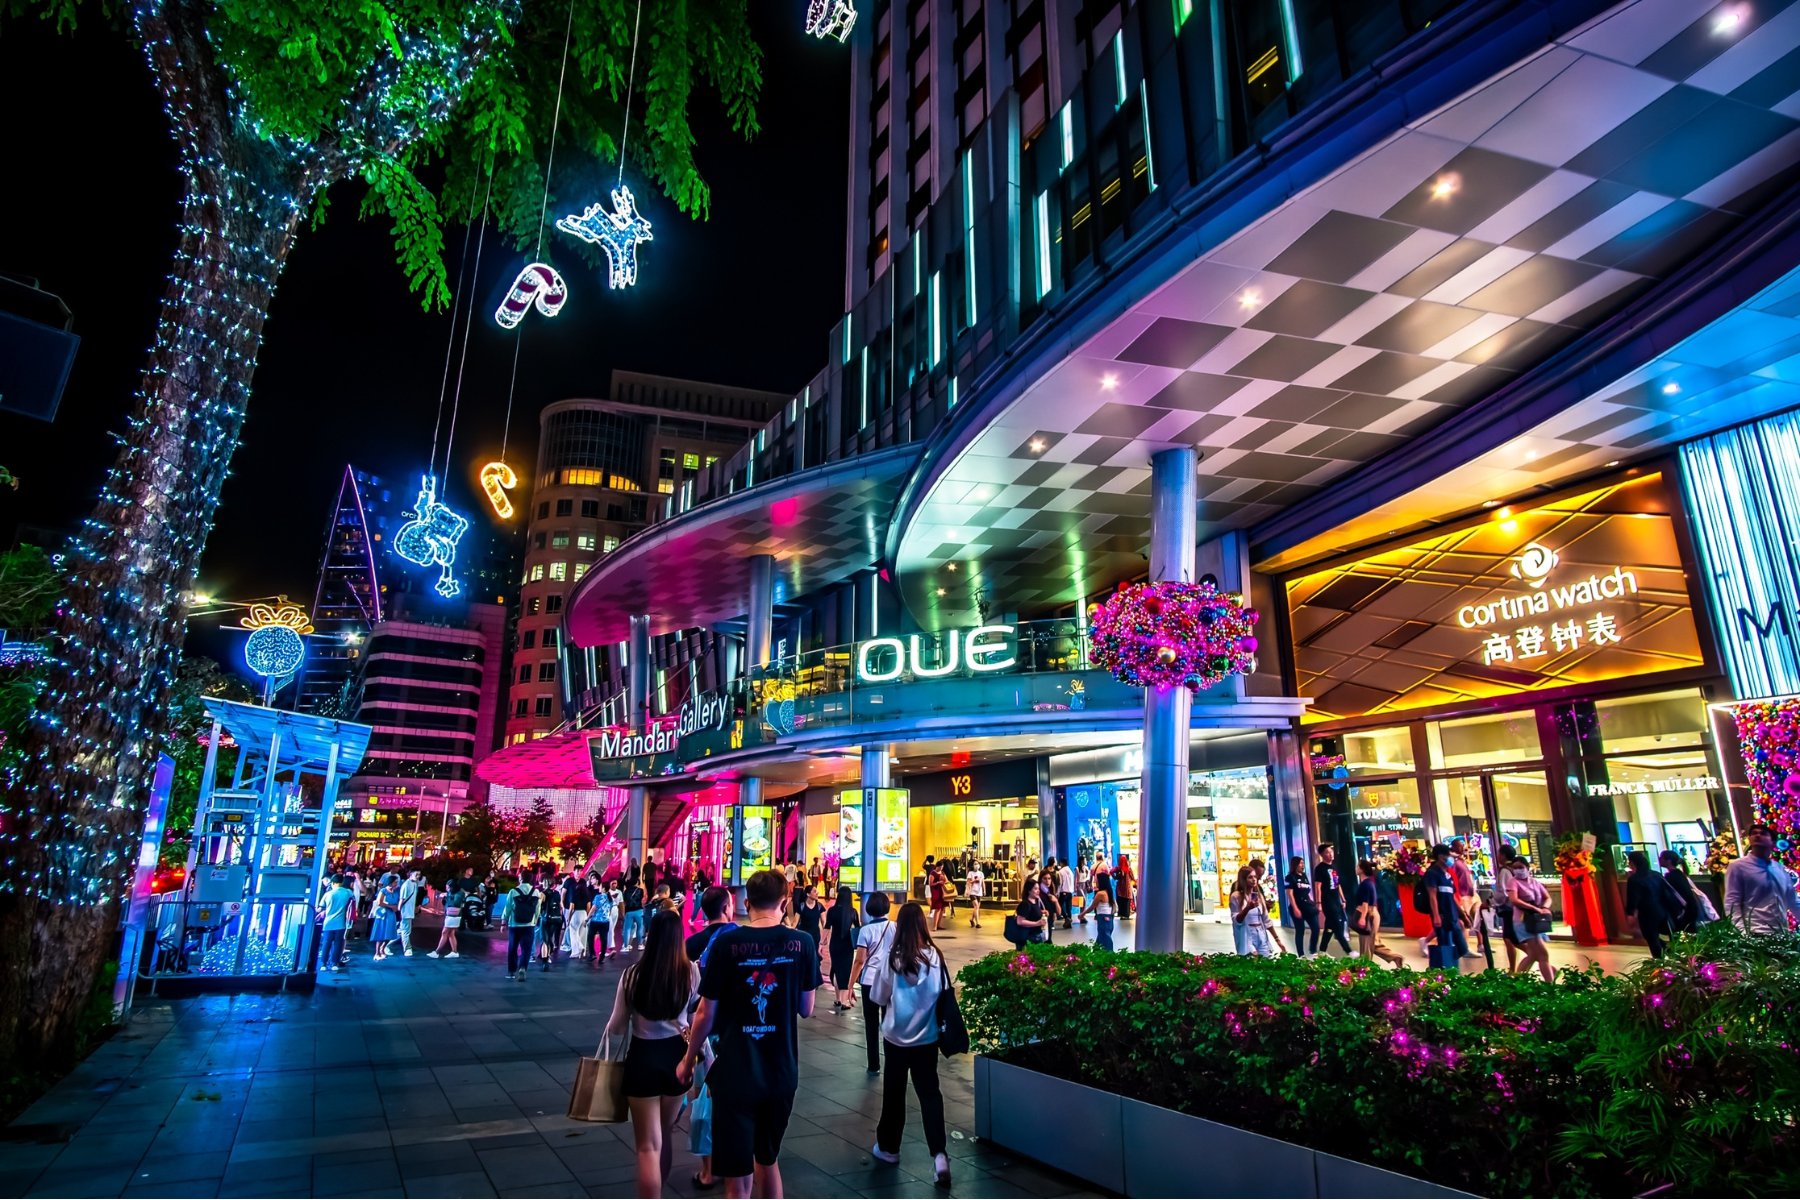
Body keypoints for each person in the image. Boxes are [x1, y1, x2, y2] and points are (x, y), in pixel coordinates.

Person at [678, 870, 819, 1200]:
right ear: (784, 903)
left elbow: (705, 1013)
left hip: (736, 1072)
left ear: (745, 902)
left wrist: (687, 1061)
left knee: (737, 1180)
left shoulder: (728, 942)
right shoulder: (804, 943)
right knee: (768, 1162)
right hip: (782, 1071)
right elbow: (806, 1008)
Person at [605, 908, 700, 1198]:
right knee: (665, 1132)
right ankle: (663, 1182)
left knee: (647, 1146)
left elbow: (617, 1028)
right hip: (678, 1059)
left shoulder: (632, 975)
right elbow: (694, 1017)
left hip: (642, 1058)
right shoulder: (691, 972)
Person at [869, 902, 953, 1188]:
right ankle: (939, 1155)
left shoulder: (892, 959)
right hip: (927, 1038)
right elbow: (943, 993)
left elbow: (878, 997)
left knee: (894, 1093)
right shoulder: (935, 957)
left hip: (896, 1039)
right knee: (930, 1094)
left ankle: (889, 1148)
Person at [1724, 823, 1800, 934]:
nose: (1757, 835)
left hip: (1781, 932)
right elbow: (1732, 901)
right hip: (1754, 932)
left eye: (1763, 833)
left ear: (1772, 842)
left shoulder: (1779, 869)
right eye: (1754, 833)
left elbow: (1793, 900)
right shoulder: (1738, 867)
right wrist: (1741, 931)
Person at [850, 892, 893, 1074]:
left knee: (871, 1024)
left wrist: (850, 984)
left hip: (869, 982)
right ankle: (892, 1061)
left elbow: (860, 960)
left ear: (869, 910)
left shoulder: (865, 931)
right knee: (890, 1023)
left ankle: (873, 1065)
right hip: (890, 980)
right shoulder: (895, 927)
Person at [1500, 855, 1555, 982]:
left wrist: (1545, 908)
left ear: (1527, 867)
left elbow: (1547, 897)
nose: (1518, 870)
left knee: (1532, 956)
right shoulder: (1513, 882)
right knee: (1543, 955)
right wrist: (1534, 908)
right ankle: (1550, 985)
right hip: (1523, 921)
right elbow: (1514, 900)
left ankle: (1516, 981)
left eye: (1520, 867)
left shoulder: (1535, 882)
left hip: (1535, 922)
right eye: (1515, 868)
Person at [1625, 849, 1684, 959]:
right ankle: (1671, 954)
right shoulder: (1656, 875)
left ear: (1632, 862)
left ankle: (1660, 961)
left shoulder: (1634, 879)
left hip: (1647, 912)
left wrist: (1630, 913)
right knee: (1659, 936)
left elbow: (1633, 898)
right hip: (1661, 910)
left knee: (1651, 938)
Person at [1351, 859, 1403, 967]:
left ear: (1362, 869)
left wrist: (1362, 917)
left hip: (1368, 914)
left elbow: (1365, 902)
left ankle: (1365, 969)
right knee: (1374, 943)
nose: (1356, 868)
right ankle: (1394, 956)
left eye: (1357, 866)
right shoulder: (1369, 882)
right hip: (1372, 913)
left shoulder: (1365, 884)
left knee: (1366, 945)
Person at [1423, 844, 1466, 971]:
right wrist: (1436, 915)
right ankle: (1448, 972)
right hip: (1442, 917)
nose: (1451, 859)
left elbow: (1453, 897)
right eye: (1449, 856)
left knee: (1462, 948)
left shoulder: (1448, 875)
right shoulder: (1432, 874)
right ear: (1441, 857)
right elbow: (1432, 896)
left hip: (1453, 917)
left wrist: (1462, 915)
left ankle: (1447, 967)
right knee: (1445, 946)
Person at [825, 887, 862, 1013]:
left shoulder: (832, 911)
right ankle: (844, 1001)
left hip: (834, 944)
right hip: (847, 945)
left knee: (836, 969)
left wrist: (821, 943)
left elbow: (826, 928)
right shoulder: (852, 912)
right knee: (845, 972)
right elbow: (858, 928)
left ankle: (838, 998)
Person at [499, 875, 542, 980]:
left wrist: (503, 922)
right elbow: (537, 909)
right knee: (526, 948)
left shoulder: (513, 891)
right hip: (529, 925)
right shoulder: (536, 892)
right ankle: (522, 967)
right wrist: (535, 921)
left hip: (514, 924)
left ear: (520, 879)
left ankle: (511, 972)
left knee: (513, 948)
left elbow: (508, 907)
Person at [1313, 844, 1352, 957]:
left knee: (1329, 926)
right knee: (1336, 924)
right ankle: (1348, 950)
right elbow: (1318, 887)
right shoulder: (1320, 869)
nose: (1330, 854)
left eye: (1331, 852)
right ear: (1321, 855)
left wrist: (1343, 899)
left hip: (1336, 900)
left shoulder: (1334, 867)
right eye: (1327, 852)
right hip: (1327, 900)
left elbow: (1337, 884)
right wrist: (1319, 903)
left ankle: (1322, 951)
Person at [686, 886, 738, 966]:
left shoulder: (690, 943)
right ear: (726, 908)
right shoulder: (738, 938)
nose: (733, 907)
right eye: (731, 904)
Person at [1659, 850, 1704, 934]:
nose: (1659, 859)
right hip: (1689, 910)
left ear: (1669, 861)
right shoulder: (1680, 874)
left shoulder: (1671, 877)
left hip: (1683, 913)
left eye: (1662, 858)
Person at [317, 874, 355, 971]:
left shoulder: (328, 894)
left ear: (333, 883)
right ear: (341, 882)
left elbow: (320, 908)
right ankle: (335, 964)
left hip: (328, 923)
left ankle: (323, 964)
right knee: (338, 943)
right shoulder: (348, 892)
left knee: (326, 943)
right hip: (341, 923)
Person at [1285, 856, 1321, 957]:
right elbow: (1290, 895)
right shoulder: (1290, 877)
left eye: (1303, 863)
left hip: (1307, 905)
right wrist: (1295, 908)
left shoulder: (1304, 876)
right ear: (1295, 865)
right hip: (1297, 905)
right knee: (1300, 930)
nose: (1303, 865)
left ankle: (1313, 949)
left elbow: (1307, 891)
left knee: (1316, 928)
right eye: (1300, 863)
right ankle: (1301, 954)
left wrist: (1313, 902)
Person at [792, 886, 825, 981]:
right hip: (803, 937)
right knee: (803, 957)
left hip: (815, 936)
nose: (817, 893)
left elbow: (824, 923)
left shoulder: (819, 906)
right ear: (808, 894)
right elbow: (795, 922)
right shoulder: (801, 906)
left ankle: (815, 979)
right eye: (814, 891)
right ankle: (804, 978)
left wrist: (823, 939)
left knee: (816, 958)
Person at [537, 872, 567, 970]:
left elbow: (538, 907)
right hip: (556, 919)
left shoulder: (542, 894)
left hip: (546, 919)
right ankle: (548, 955)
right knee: (550, 937)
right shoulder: (557, 893)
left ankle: (545, 961)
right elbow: (561, 906)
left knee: (544, 940)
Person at [370, 873, 401, 961]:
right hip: (383, 914)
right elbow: (380, 902)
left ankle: (382, 949)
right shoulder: (383, 891)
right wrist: (391, 906)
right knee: (381, 933)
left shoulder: (395, 892)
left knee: (390, 933)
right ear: (390, 882)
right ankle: (377, 953)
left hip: (392, 914)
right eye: (395, 882)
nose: (396, 884)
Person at [1011, 877, 1048, 947]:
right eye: (1035, 889)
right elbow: (1020, 921)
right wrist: (1037, 923)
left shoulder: (1035, 902)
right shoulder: (1025, 904)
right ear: (1029, 890)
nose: (1038, 891)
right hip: (1029, 938)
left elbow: (1032, 914)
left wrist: (1041, 912)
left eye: (1038, 889)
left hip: (1037, 936)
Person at [396, 870, 421, 958]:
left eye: (419, 875)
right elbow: (401, 900)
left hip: (409, 912)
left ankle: (387, 945)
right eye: (416, 874)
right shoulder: (406, 885)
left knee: (402, 931)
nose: (418, 876)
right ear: (410, 874)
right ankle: (407, 949)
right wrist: (400, 913)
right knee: (405, 931)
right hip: (405, 912)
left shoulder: (414, 884)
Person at [566, 874, 592, 959]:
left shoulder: (574, 895)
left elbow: (571, 908)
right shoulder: (587, 895)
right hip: (584, 914)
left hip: (576, 914)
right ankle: (582, 951)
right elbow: (589, 908)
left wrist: (568, 919)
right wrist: (587, 918)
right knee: (583, 933)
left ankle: (577, 950)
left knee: (573, 932)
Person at [622, 874, 647, 951]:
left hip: (629, 911)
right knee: (640, 928)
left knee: (627, 929)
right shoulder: (640, 890)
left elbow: (624, 901)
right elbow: (643, 899)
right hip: (638, 911)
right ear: (637, 882)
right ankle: (640, 944)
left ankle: (626, 946)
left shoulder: (626, 891)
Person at [1090, 877, 1116, 951]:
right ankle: (1097, 952)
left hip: (1102, 917)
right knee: (1102, 936)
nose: (1096, 883)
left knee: (1105, 936)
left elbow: (1092, 907)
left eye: (1097, 881)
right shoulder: (1109, 892)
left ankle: (1109, 954)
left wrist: (1082, 914)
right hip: (1109, 917)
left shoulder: (1100, 894)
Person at [927, 863, 949, 931]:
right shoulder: (932, 873)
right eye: (940, 867)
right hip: (936, 891)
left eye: (942, 867)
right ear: (936, 866)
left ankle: (938, 924)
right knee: (938, 908)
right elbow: (931, 883)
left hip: (942, 891)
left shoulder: (942, 872)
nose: (941, 869)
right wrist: (937, 882)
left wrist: (944, 881)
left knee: (942, 908)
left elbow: (947, 881)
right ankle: (935, 925)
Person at [1055, 858, 1076, 930]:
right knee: (1068, 908)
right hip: (1070, 891)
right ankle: (1069, 921)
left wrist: (1057, 892)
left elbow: (1060, 883)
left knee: (1059, 906)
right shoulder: (1070, 871)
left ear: (1062, 863)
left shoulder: (1061, 872)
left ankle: (1066, 918)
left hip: (1063, 891)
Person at [963, 862, 985, 928]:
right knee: (976, 906)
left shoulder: (981, 873)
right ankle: (977, 923)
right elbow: (968, 882)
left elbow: (983, 882)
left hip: (979, 891)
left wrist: (984, 890)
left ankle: (971, 919)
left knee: (977, 907)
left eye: (977, 864)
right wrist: (974, 881)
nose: (976, 865)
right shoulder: (970, 873)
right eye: (974, 864)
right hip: (972, 891)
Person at [1114, 853, 1135, 920]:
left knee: (1121, 900)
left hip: (1120, 887)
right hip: (1127, 887)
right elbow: (1132, 877)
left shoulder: (1118, 868)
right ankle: (1126, 915)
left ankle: (1121, 913)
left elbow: (1111, 872)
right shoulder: (1128, 869)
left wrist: (1115, 877)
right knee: (1126, 900)